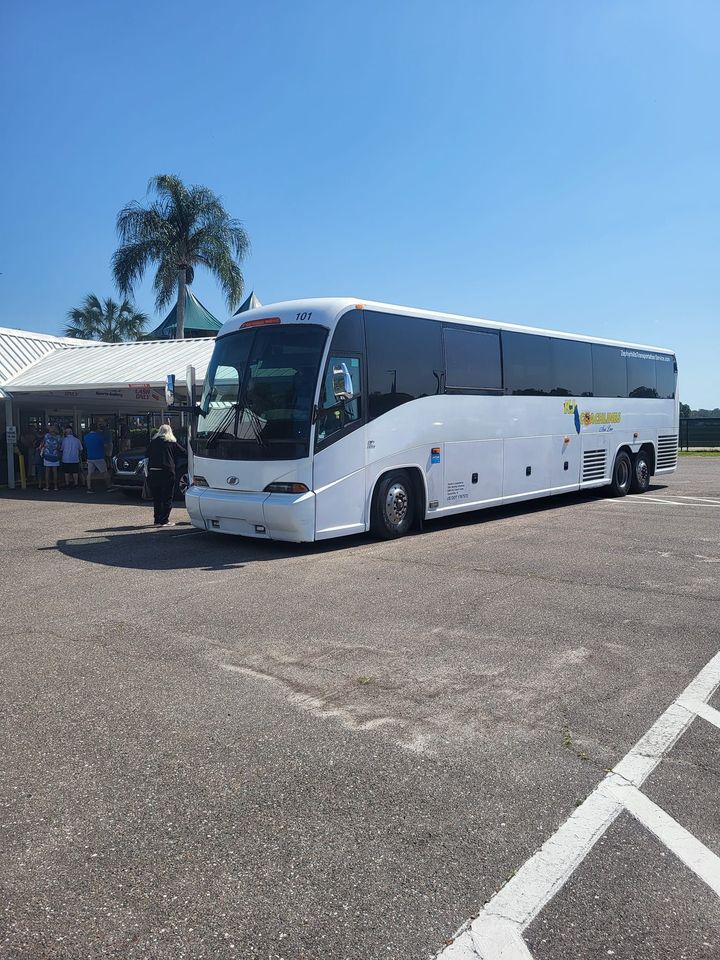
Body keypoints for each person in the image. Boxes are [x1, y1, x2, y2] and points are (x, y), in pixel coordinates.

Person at [145, 424, 185, 527]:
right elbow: (184, 453)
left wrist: (147, 473)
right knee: (167, 497)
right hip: (167, 472)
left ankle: (157, 520)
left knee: (157, 498)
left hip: (153, 472)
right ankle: (165, 520)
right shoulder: (171, 443)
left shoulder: (153, 442)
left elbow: (146, 456)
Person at [83, 424, 109, 493]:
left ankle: (89, 488)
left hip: (90, 457)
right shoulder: (100, 436)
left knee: (89, 473)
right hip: (99, 457)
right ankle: (109, 486)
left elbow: (85, 446)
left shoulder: (86, 437)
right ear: (96, 428)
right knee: (105, 472)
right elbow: (105, 446)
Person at [41, 424, 62, 491]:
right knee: (55, 471)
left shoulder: (46, 436)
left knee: (47, 471)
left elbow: (43, 444)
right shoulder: (59, 437)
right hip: (55, 455)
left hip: (47, 455)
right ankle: (55, 487)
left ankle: (47, 487)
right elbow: (59, 447)